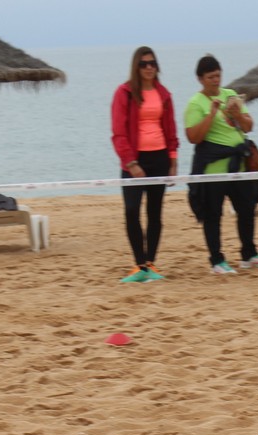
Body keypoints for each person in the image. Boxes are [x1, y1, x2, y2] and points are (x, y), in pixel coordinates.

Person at [184, 54, 258, 275]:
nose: (215, 80)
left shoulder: (230, 95)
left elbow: (248, 126)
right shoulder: (196, 103)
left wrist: (237, 115)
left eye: (218, 75)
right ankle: (217, 260)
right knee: (213, 215)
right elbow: (193, 137)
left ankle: (249, 254)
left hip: (239, 165)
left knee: (247, 209)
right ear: (200, 79)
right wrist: (211, 114)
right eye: (210, 77)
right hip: (213, 169)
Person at [111, 46, 179, 283]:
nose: (149, 67)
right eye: (144, 64)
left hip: (159, 157)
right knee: (131, 211)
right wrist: (131, 162)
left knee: (154, 212)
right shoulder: (124, 92)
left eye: (152, 63)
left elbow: (171, 130)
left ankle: (150, 263)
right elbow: (118, 132)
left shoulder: (163, 94)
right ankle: (139, 264)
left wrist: (173, 161)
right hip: (134, 159)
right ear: (136, 67)